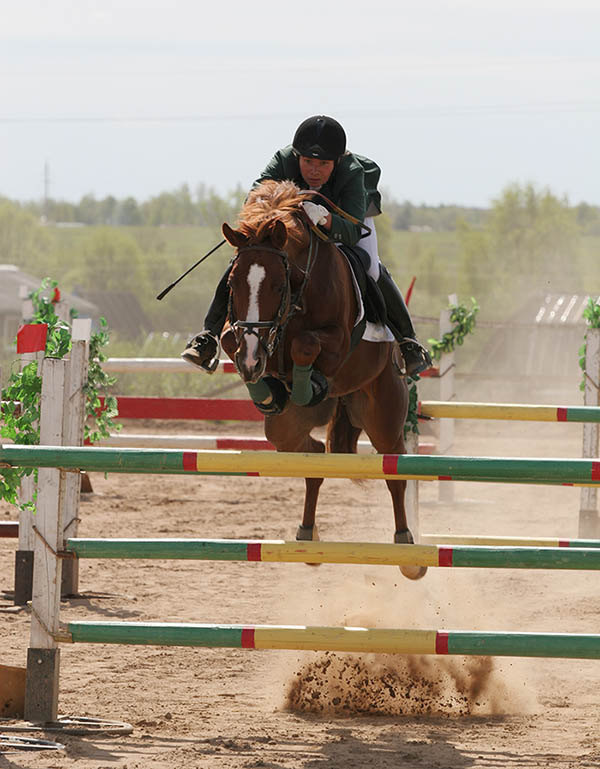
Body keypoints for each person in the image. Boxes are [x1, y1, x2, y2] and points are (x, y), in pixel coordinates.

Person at [182, 115, 432, 378]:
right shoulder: (282, 160)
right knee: (244, 262)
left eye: (323, 164)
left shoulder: (352, 172)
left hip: (346, 219)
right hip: (294, 226)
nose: (314, 170)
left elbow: (350, 231)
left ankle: (408, 342)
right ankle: (208, 336)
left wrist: (324, 218)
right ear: (297, 156)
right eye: (308, 161)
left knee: (371, 266)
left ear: (336, 162)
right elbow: (253, 199)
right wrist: (275, 211)